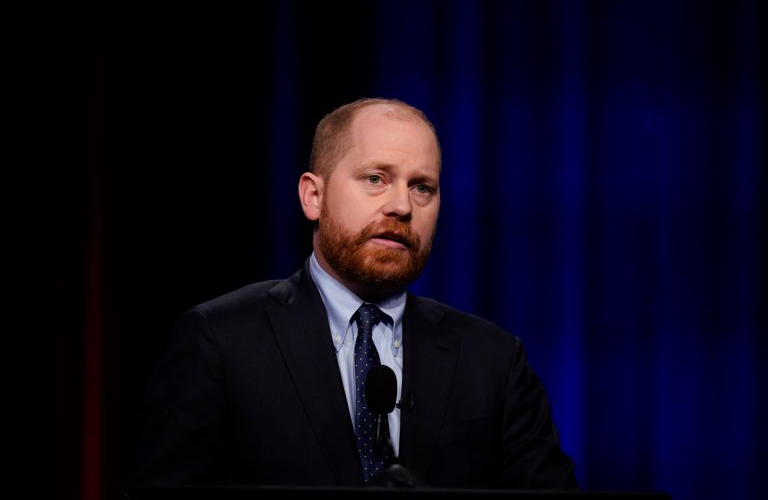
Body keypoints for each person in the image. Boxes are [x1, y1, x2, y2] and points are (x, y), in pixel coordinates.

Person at [126, 98, 577, 493]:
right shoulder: (221, 341)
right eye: (376, 178)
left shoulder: (494, 360)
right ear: (313, 197)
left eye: (422, 187)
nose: (402, 206)